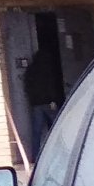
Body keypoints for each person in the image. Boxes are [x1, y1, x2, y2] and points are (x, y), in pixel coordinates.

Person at [22, 28, 65, 160]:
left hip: (36, 105)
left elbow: (27, 86)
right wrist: (53, 100)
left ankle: (35, 157)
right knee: (56, 129)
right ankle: (60, 154)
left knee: (37, 132)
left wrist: (32, 100)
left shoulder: (31, 70)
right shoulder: (47, 69)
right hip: (48, 103)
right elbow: (50, 85)